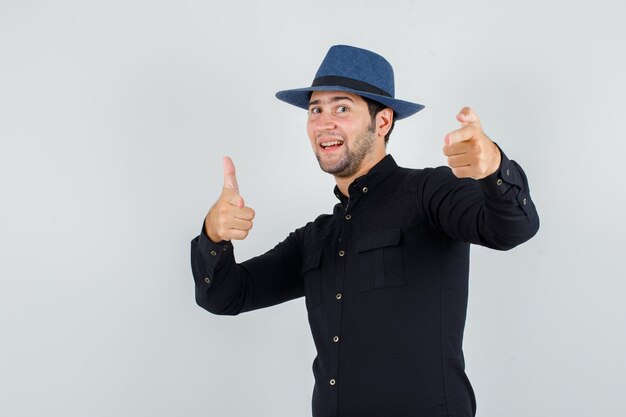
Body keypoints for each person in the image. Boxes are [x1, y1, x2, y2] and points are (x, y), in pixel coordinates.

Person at [190, 45, 539, 417]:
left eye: (342, 108)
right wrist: (213, 235)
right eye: (315, 110)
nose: (325, 122)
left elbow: (512, 229)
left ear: (383, 122)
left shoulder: (429, 193)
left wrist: (494, 168)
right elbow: (225, 297)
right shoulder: (315, 238)